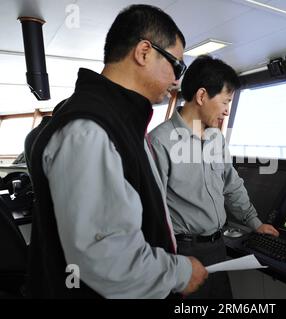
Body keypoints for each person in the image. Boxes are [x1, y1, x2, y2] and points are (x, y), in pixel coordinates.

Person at [28, 4, 207, 298]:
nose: (177, 81)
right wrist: (180, 272)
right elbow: (108, 257)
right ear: (144, 52)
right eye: (176, 66)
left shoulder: (119, 121)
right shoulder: (89, 128)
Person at [149, 55, 279, 299]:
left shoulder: (216, 138)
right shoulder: (160, 142)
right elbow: (153, 211)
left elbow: (232, 185)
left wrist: (255, 223)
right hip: (182, 252)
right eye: (225, 101)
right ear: (201, 96)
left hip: (217, 247)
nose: (228, 111)